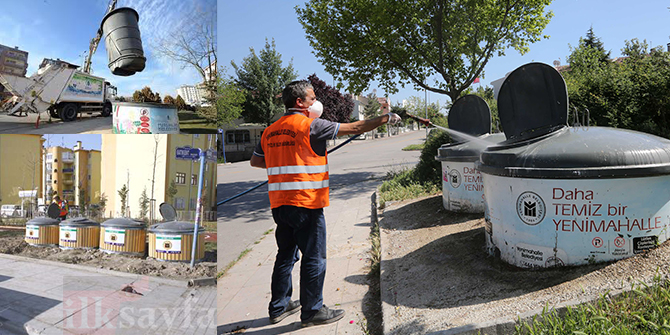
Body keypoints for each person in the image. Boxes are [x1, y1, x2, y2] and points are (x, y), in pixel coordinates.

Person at [250, 80, 401, 327]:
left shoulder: (270, 130)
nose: (315, 101)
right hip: (306, 203)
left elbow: (256, 162)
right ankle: (312, 311)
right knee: (313, 257)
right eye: (312, 98)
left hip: (280, 205)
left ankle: (278, 307)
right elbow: (355, 127)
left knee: (285, 255)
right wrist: (386, 118)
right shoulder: (310, 125)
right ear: (300, 102)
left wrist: (284, 159)